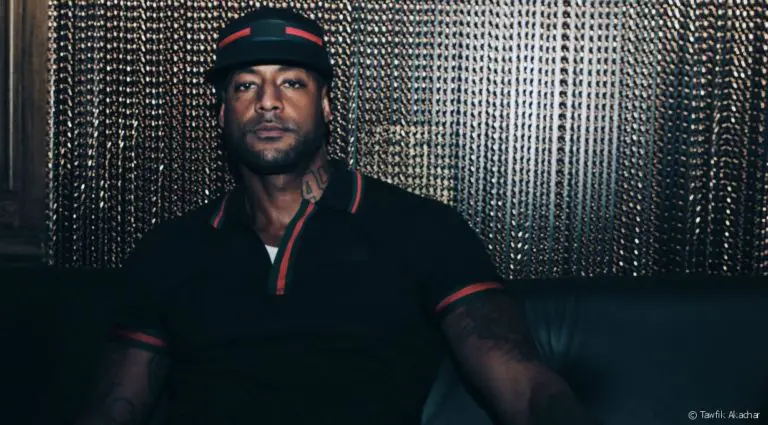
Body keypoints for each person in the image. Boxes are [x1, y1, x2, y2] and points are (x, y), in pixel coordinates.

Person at [75, 7, 596, 425]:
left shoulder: (421, 229)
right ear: (223, 113)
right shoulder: (170, 250)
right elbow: (115, 406)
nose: (268, 103)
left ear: (326, 105)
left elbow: (523, 386)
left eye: (292, 83)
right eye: (245, 85)